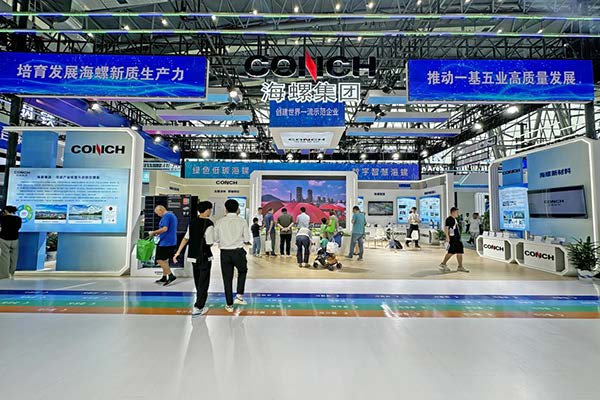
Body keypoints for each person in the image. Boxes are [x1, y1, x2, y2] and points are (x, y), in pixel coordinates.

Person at [173, 201, 214, 316]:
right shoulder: (209, 223)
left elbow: (186, 238)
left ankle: (199, 302)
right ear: (207, 210)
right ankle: (199, 306)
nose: (210, 211)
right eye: (210, 209)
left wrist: (178, 252)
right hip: (204, 256)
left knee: (198, 279)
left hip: (193, 256)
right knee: (204, 281)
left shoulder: (192, 222)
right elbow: (209, 242)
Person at [214, 199, 252, 313]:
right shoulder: (242, 221)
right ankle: (239, 296)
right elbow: (247, 239)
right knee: (242, 271)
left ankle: (229, 304)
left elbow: (215, 239)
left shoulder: (219, 222)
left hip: (225, 253)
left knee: (227, 278)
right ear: (237, 209)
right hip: (238, 252)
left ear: (225, 209)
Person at [149, 205, 178, 286]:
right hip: (170, 241)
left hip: (166, 242)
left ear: (161, 210)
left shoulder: (166, 216)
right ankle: (164, 277)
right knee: (165, 260)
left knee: (159, 259)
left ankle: (171, 276)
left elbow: (165, 229)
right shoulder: (172, 215)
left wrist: (153, 232)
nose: (158, 215)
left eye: (157, 213)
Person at [439, 207, 469, 273]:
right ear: (453, 212)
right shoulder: (449, 219)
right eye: (457, 212)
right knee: (451, 252)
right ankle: (443, 264)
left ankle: (460, 266)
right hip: (453, 239)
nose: (458, 213)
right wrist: (447, 237)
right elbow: (446, 228)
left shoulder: (454, 219)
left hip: (457, 239)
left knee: (458, 252)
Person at [0, 206, 22, 280]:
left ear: (6, 211)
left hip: (4, 239)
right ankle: (11, 273)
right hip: (15, 239)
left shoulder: (3, 218)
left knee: (5, 257)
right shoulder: (18, 219)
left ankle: (4, 275)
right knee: (14, 257)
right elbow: (18, 228)